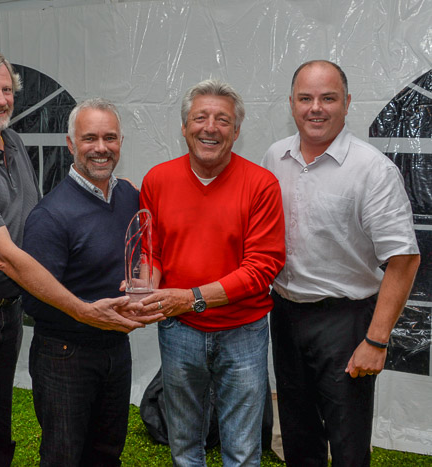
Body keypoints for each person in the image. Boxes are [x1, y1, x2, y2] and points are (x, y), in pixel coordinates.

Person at [0, 50, 153, 466]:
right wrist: (81, 310)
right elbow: (5, 256)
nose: (1, 100)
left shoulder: (11, 141)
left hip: (4, 310)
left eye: (6, 90)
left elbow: (31, 220)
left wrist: (110, 202)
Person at [262, 60, 420, 466]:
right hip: (285, 313)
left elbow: (404, 259)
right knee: (297, 434)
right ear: (291, 104)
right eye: (305, 98)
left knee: (348, 443)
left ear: (347, 103)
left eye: (328, 98)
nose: (316, 108)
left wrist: (376, 341)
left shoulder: (372, 170)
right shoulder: (274, 157)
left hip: (345, 321)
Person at [133, 79, 286, 466]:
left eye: (223, 120)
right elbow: (152, 252)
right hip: (179, 331)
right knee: (184, 446)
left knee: (242, 451)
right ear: (184, 126)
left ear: (236, 131)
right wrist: (144, 287)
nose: (210, 128)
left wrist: (191, 298)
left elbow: (262, 268)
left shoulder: (261, 185)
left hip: (243, 332)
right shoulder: (157, 180)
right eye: (200, 117)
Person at [22, 98, 159, 466]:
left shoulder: (129, 196)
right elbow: (32, 300)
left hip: (116, 348)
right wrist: (86, 313)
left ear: (121, 142)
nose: (101, 147)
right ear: (71, 144)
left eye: (109, 138)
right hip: (65, 354)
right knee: (64, 456)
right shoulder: (50, 215)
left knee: (107, 453)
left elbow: (143, 255)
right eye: (90, 138)